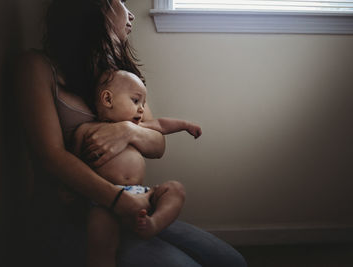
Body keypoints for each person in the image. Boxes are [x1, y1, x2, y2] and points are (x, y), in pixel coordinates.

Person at [16, 0, 247, 266]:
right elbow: (51, 156)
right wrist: (117, 200)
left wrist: (126, 130)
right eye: (122, 2)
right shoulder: (36, 67)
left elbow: (157, 144)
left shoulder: (121, 78)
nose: (131, 15)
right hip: (76, 215)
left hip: (130, 205)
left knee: (231, 261)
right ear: (94, 7)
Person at [75, 69, 201, 267]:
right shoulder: (87, 130)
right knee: (101, 243)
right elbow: (75, 165)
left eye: (142, 103)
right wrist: (66, 192)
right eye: (136, 101)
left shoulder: (137, 128)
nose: (141, 109)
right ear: (108, 99)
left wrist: (185, 125)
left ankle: (152, 224)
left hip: (141, 194)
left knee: (175, 189)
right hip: (105, 200)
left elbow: (160, 124)